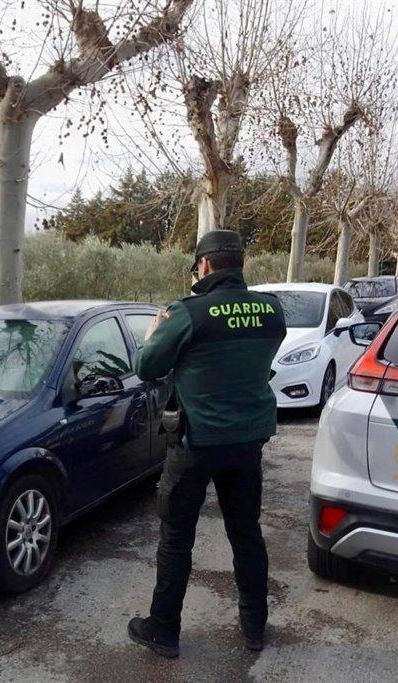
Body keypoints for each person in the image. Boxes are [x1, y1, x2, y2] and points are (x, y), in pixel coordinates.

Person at [127, 230, 286, 658]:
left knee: (177, 538)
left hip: (195, 443)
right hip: (247, 443)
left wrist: (153, 332)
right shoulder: (271, 311)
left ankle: (163, 630)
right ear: (238, 265)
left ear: (206, 265)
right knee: (246, 534)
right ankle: (254, 627)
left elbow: (146, 367)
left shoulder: (188, 312)